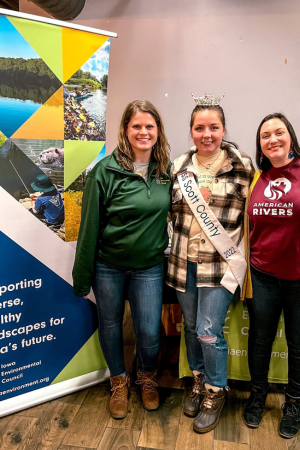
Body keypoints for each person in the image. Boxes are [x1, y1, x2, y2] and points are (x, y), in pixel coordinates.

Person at [72, 100, 171, 419]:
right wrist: (81, 276)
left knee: (149, 331)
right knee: (111, 325)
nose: (143, 132)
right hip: (108, 267)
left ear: (158, 131)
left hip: (149, 268)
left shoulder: (166, 171)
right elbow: (89, 228)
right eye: (136, 126)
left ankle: (146, 377)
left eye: (149, 126)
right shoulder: (104, 171)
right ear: (126, 130)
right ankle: (118, 381)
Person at [166, 93, 254, 433]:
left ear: (223, 129)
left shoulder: (243, 165)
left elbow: (252, 216)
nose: (207, 134)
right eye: (200, 128)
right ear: (191, 131)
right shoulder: (178, 167)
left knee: (207, 331)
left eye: (214, 127)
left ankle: (217, 391)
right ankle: (199, 382)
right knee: (190, 327)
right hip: (183, 262)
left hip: (220, 265)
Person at [243, 113, 300, 439]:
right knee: (260, 340)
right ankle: (258, 395)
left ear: (290, 136)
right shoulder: (257, 177)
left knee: (298, 344)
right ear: (260, 145)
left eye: (279, 132)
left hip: (298, 279)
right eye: (266, 135)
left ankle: (294, 402)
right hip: (262, 275)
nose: (273, 139)